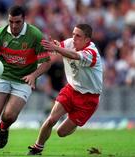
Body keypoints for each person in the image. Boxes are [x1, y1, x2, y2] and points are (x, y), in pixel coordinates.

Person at [0, 5, 51, 155]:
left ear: (24, 20)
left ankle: (3, 127)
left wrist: (34, 76)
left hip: (24, 79)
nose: (14, 25)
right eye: (11, 22)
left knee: (9, 115)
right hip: (3, 75)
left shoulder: (35, 35)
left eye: (17, 22)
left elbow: (46, 62)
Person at [27, 24, 103, 155]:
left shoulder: (92, 53)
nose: (73, 38)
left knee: (61, 132)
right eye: (73, 34)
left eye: (78, 36)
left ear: (87, 40)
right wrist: (53, 47)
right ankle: (37, 147)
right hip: (71, 89)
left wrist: (56, 47)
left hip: (88, 99)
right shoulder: (70, 43)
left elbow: (74, 56)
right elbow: (57, 50)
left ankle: (74, 123)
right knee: (51, 119)